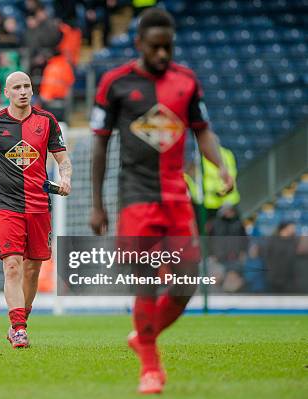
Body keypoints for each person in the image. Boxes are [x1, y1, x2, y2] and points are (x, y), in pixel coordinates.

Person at [89, 9, 233, 394]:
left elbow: (202, 131)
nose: (163, 55)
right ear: (139, 44)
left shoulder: (186, 82)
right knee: (147, 281)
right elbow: (100, 145)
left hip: (175, 193)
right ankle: (150, 367)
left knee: (184, 284)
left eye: (168, 47)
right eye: (155, 48)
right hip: (135, 195)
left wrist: (220, 166)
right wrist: (97, 203)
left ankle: (143, 336)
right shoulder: (114, 84)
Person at [0, 71, 72, 349]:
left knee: (32, 269)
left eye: (27, 86)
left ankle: (21, 319)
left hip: (39, 206)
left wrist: (66, 177)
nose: (23, 91)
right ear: (6, 92)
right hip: (7, 206)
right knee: (12, 266)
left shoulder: (47, 121)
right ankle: (19, 328)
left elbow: (63, 160)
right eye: (17, 87)